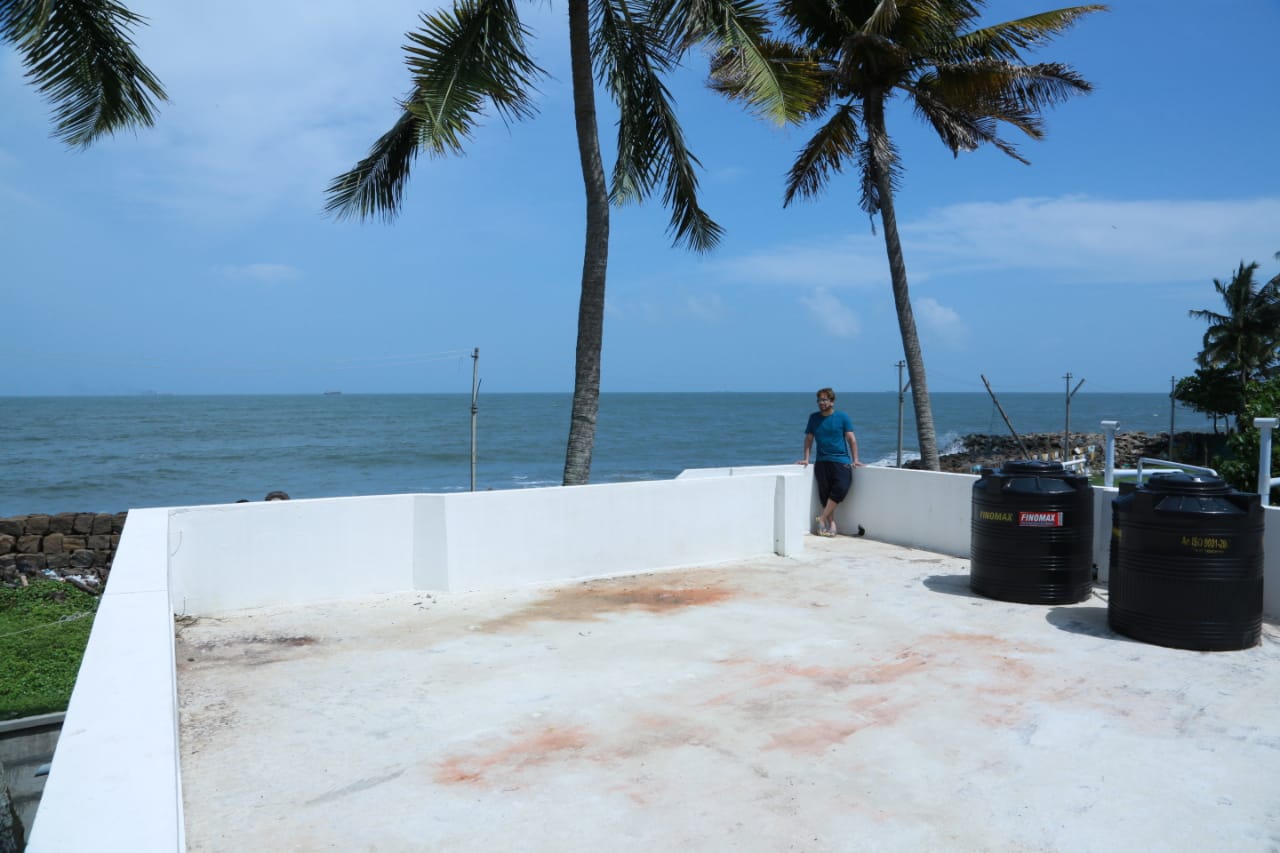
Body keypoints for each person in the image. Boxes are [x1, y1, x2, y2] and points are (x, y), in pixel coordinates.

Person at [797, 388, 865, 536]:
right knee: (825, 494)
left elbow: (851, 439)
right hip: (822, 461)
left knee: (841, 487)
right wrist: (806, 458)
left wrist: (855, 459)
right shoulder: (814, 418)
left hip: (841, 460)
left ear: (832, 401)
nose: (821, 403)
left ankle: (821, 518)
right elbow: (809, 439)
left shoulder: (842, 417)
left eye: (824, 400)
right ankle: (831, 524)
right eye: (819, 400)